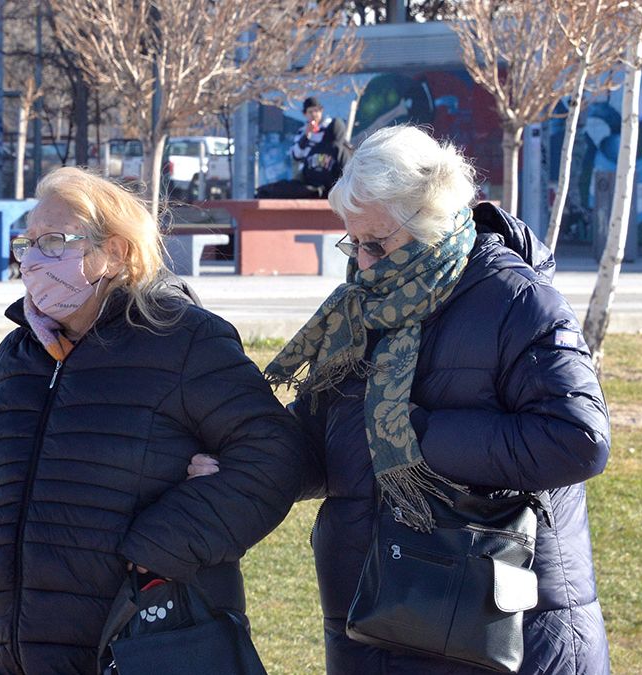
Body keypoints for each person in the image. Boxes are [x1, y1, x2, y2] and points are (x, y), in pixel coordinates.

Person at [193, 125, 612, 673]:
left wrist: (413, 435)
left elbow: (578, 441)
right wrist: (241, 462)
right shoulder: (362, 307)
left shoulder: (519, 302)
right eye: (353, 241)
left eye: (377, 243)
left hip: (502, 630)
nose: (363, 262)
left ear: (431, 226)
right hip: (375, 616)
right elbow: (325, 439)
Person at [0, 167, 305, 674]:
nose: (33, 259)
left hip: (128, 644)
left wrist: (163, 544)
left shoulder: (183, 338)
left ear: (117, 252)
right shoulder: (20, 352)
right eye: (28, 242)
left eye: (55, 241)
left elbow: (276, 455)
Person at [255, 96, 352, 199]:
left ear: (321, 110)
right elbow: (296, 155)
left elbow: (338, 144)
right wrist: (307, 135)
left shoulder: (329, 127)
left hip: (327, 170)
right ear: (305, 114)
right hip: (308, 169)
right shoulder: (302, 131)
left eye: (316, 111)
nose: (314, 115)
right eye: (310, 112)